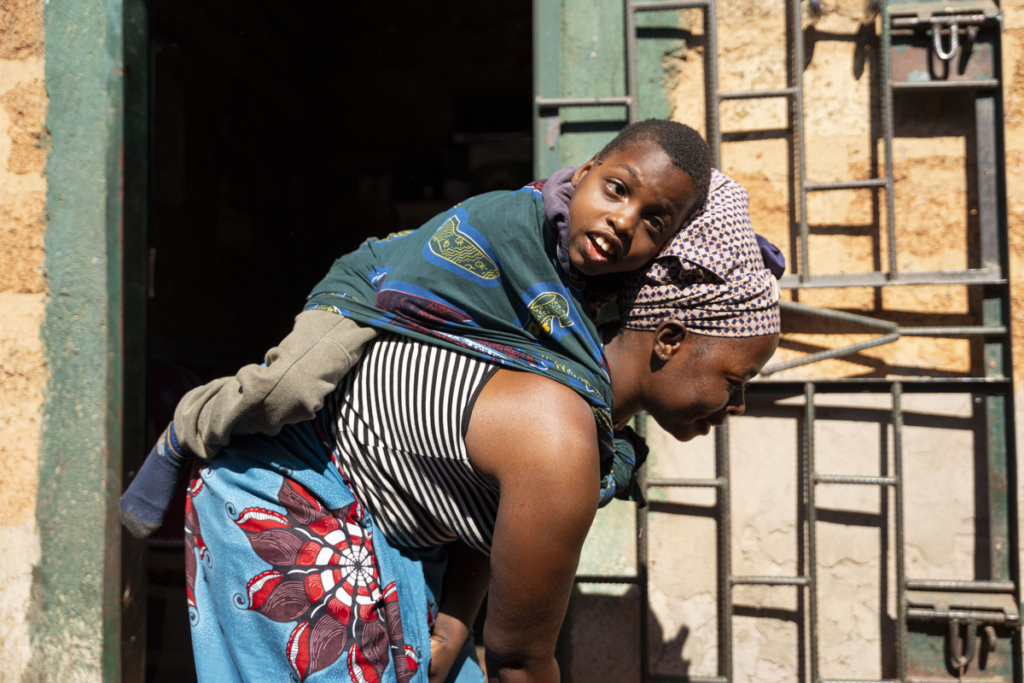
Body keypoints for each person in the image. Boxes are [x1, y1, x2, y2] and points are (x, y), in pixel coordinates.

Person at [181, 202, 780, 682]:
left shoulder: (573, 401)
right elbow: (518, 661)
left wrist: (453, 624)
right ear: (670, 338)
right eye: (736, 379)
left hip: (389, 531)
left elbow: (482, 511)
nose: (738, 404)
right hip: (289, 505)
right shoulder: (558, 431)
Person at [122, 119, 768, 538]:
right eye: (617, 190)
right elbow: (575, 363)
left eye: (655, 222)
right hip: (374, 293)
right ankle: (190, 424)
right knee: (288, 392)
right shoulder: (509, 221)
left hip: (446, 322)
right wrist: (607, 440)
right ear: (587, 170)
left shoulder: (593, 277)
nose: (624, 222)